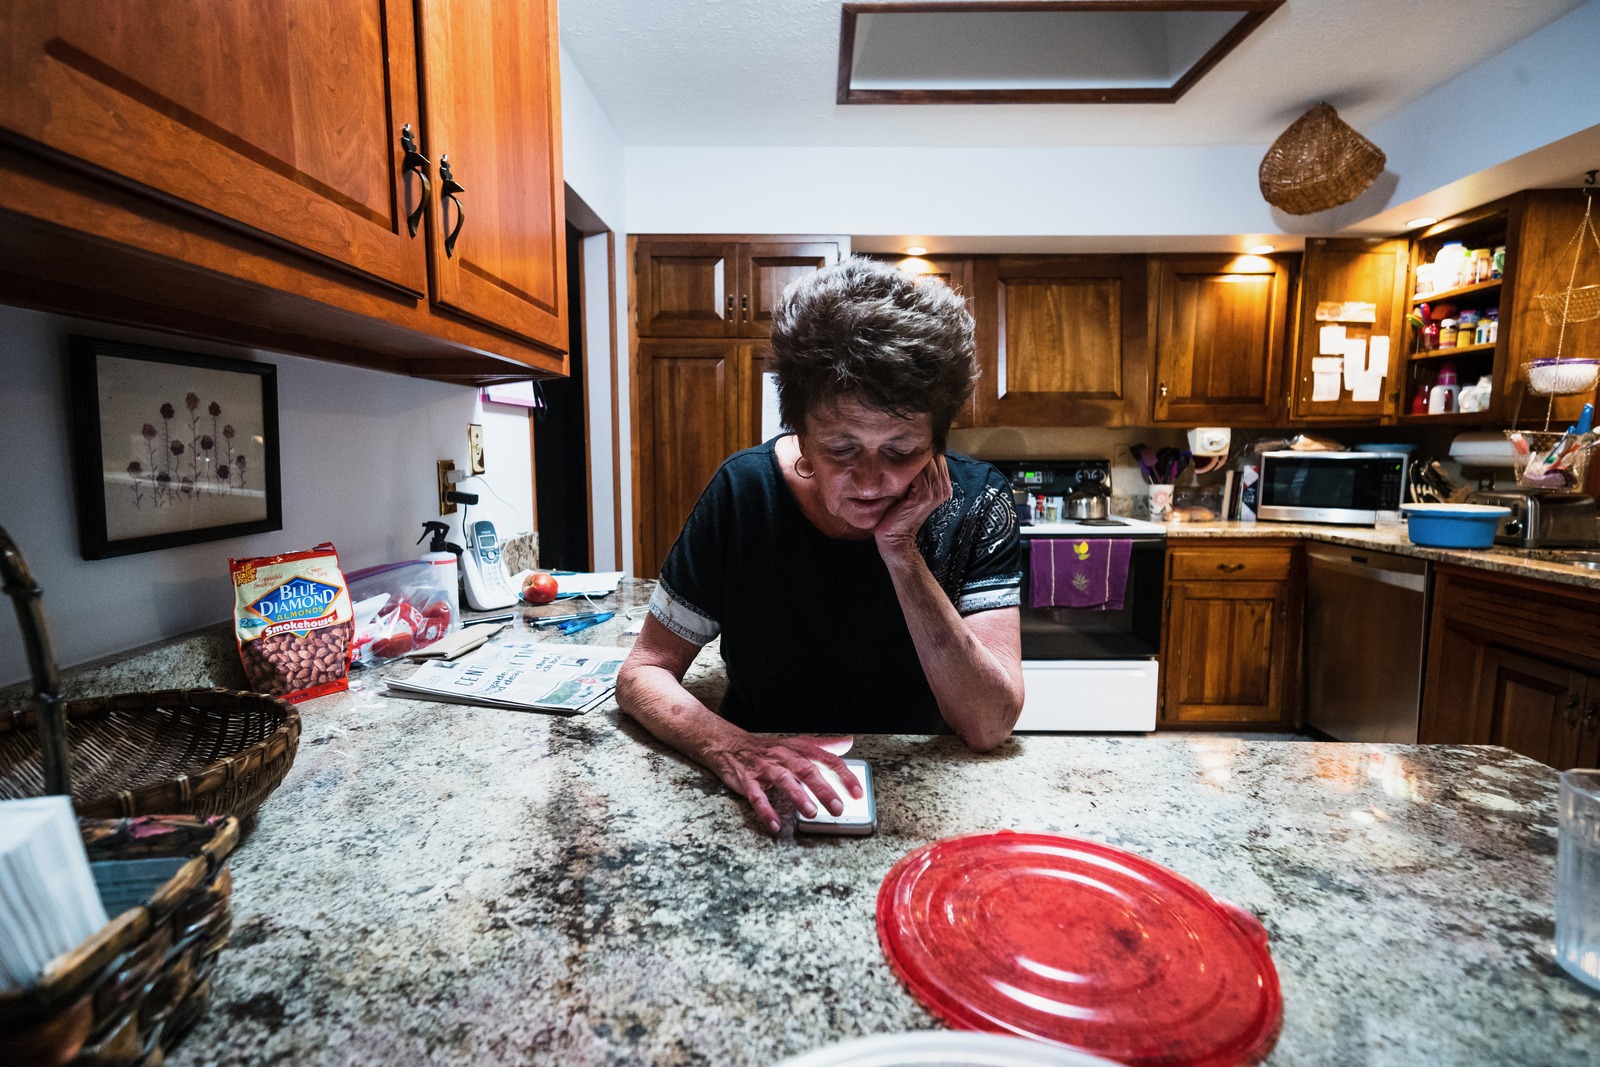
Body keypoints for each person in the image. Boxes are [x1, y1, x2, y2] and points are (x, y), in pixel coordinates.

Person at [616, 256, 1023, 835]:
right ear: (800, 433)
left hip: (925, 791)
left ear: (937, 441)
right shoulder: (744, 492)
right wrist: (730, 746)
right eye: (841, 448)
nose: (869, 481)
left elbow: (988, 724)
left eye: (901, 450)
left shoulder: (981, 502)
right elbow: (642, 674)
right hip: (765, 795)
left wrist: (901, 551)